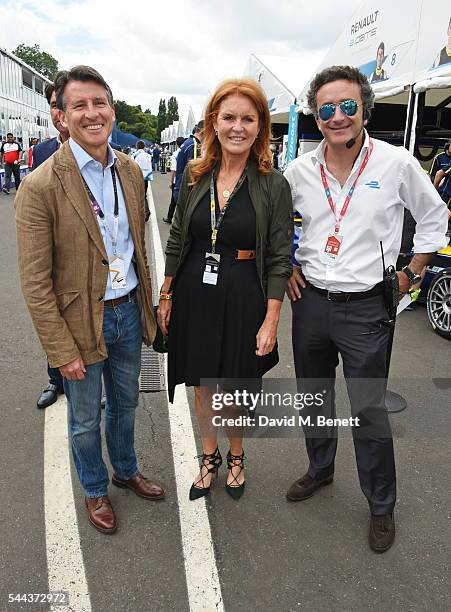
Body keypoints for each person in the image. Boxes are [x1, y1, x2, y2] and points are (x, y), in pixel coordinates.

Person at [283, 65, 448, 553]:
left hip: (367, 308)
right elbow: (278, 225)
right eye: (327, 108)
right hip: (310, 301)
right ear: (317, 115)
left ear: (364, 110)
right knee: (314, 396)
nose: (337, 117)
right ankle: (320, 469)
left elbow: (435, 216)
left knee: (368, 411)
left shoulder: (395, 164)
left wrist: (412, 273)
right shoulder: (297, 171)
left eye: (347, 106)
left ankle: (381, 506)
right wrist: (285, 265)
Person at [16, 65, 165, 535]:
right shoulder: (39, 186)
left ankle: (125, 469)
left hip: (125, 312)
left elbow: (137, 247)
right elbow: (36, 284)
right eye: (78, 105)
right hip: (81, 322)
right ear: (60, 117)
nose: (91, 113)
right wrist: (61, 350)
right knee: (83, 419)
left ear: (112, 111)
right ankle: (95, 488)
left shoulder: (131, 170)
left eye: (99, 103)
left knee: (125, 406)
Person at [158, 78, 293, 501]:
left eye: (248, 119)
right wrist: (166, 292)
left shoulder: (273, 184)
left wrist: (271, 319)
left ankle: (237, 456)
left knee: (232, 386)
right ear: (214, 122)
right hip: (196, 291)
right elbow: (179, 236)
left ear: (260, 127)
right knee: (202, 384)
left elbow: (278, 257)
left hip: (243, 295)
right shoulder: (197, 174)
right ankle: (209, 456)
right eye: (229, 117)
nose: (238, 127)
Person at [32, 79, 71, 409]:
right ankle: (54, 379)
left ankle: (89, 386)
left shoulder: (100, 150)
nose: (60, 112)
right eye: (54, 105)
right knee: (52, 316)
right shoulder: (42, 151)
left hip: (88, 257)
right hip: (52, 252)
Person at [172, 120, 205, 204]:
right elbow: (194, 172)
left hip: (180, 187)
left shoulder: (188, 142)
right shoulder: (194, 145)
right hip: (185, 190)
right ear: (203, 133)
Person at [163, 136, 185, 224]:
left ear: (176, 144)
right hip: (186, 179)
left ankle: (172, 218)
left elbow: (173, 170)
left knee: (175, 200)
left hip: (177, 181)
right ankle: (170, 217)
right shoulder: (186, 151)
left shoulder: (176, 154)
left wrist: (171, 182)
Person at [131, 140, 153, 221]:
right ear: (144, 147)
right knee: (144, 195)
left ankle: (142, 212)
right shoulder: (148, 155)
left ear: (137, 147)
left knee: (137, 196)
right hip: (146, 178)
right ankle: (146, 211)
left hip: (137, 178)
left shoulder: (134, 155)